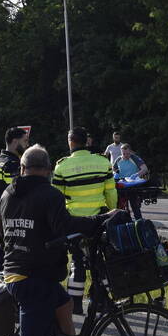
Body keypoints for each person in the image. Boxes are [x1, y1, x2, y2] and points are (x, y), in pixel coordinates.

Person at [0, 144, 114, 336]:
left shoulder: (8, 194)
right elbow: (66, 226)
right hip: (32, 280)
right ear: (48, 170)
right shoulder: (50, 194)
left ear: (22, 169)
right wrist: (99, 220)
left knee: (63, 306)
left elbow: (1, 236)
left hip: (18, 273)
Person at [52, 127, 117, 314]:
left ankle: (76, 304)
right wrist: (110, 212)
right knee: (99, 261)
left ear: (70, 142)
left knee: (77, 262)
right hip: (98, 221)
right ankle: (103, 301)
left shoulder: (62, 167)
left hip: (74, 223)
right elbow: (111, 192)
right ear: (87, 142)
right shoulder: (102, 162)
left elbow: (57, 198)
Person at [0, 127, 29, 272]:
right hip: (10, 219)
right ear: (14, 141)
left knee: (0, 259)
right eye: (24, 141)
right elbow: (18, 193)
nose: (27, 145)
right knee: (12, 261)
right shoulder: (12, 165)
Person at [114, 143, 149, 220]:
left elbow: (145, 169)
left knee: (134, 205)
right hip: (122, 184)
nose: (126, 155)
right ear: (121, 152)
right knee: (119, 205)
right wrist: (116, 174)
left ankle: (139, 222)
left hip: (133, 184)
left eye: (127, 153)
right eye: (124, 153)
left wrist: (137, 174)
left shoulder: (135, 158)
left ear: (130, 152)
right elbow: (114, 170)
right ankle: (122, 222)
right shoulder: (118, 159)